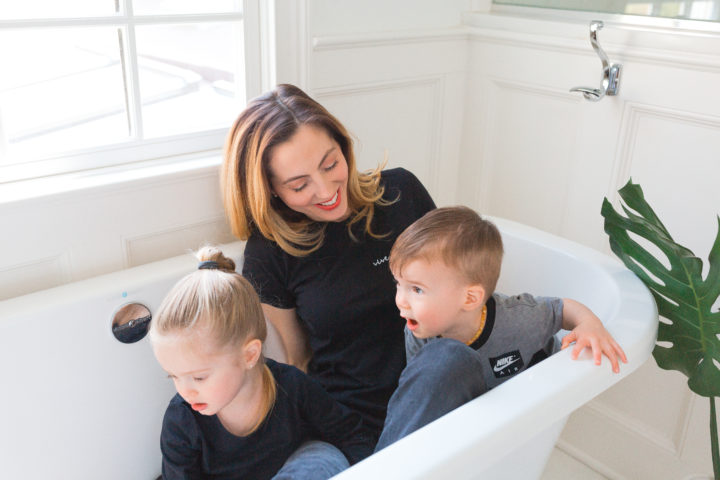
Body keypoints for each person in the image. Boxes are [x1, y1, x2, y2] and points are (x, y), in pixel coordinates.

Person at [221, 83, 436, 448]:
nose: (325, 190)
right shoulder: (268, 253)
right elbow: (296, 361)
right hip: (350, 422)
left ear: (343, 145)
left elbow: (463, 288)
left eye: (330, 164)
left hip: (435, 390)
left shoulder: (401, 192)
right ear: (270, 189)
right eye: (299, 185)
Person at [374, 206, 628, 450]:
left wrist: (589, 324)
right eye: (399, 284)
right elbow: (422, 397)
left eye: (416, 289)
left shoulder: (518, 319)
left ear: (470, 299)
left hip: (520, 421)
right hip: (467, 421)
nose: (400, 300)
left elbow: (562, 309)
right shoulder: (419, 333)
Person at [149, 246, 373, 479]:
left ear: (249, 355)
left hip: (294, 470)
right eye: (173, 376)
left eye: (199, 377)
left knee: (322, 457)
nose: (185, 390)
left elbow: (351, 434)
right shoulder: (182, 420)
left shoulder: (292, 387)